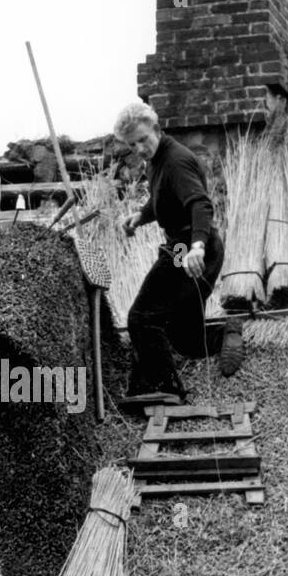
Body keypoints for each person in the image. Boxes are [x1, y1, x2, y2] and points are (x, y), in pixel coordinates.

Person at [114, 102, 244, 405]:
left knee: (142, 317)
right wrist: (139, 217)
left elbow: (200, 204)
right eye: (133, 144)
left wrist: (197, 246)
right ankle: (227, 332)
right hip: (182, 249)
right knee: (183, 337)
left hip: (192, 249)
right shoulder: (156, 160)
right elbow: (162, 199)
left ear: (157, 129)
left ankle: (162, 388)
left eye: (144, 139)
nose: (140, 148)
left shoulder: (175, 161)